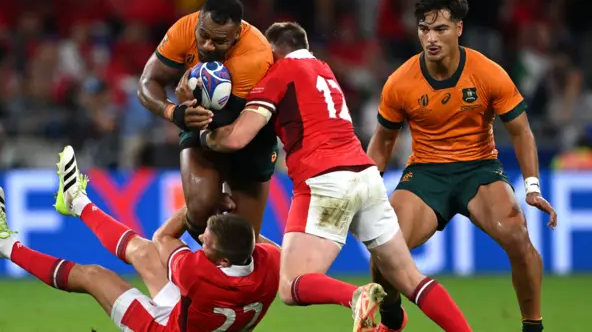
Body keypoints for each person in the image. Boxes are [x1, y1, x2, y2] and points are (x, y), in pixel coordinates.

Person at [200, 22, 472, 332]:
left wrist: (203, 135)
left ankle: (356, 296)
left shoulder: (278, 75)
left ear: (273, 52)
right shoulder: (324, 69)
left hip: (325, 180)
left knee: (290, 286)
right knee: (411, 279)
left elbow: (236, 138)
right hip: (365, 175)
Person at [366, 0, 557, 332]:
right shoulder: (400, 82)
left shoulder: (487, 73)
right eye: (424, 29)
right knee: (384, 244)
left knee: (516, 234)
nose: (431, 38)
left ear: (459, 29)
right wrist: (365, 186)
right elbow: (383, 139)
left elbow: (521, 132)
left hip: (479, 169)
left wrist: (531, 186)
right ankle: (392, 316)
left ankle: (533, 326)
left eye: (440, 29)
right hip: (425, 173)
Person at [0, 145, 280, 332]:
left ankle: (1, 244)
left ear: (223, 260)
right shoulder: (272, 264)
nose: (200, 236)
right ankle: (76, 201)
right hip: (191, 316)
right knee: (145, 253)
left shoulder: (199, 274)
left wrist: (201, 203)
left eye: (206, 241)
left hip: (163, 329)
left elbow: (163, 236)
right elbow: (255, 243)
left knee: (93, 275)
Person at [137, 0, 277, 243]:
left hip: (250, 132)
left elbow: (230, 126)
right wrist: (174, 112)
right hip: (201, 116)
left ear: (236, 35)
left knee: (243, 243)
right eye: (203, 35)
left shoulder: (254, 54)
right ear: (199, 20)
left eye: (219, 41)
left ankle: (280, 262)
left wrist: (189, 107)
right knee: (201, 207)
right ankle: (204, 207)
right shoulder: (184, 28)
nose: (207, 46)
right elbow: (148, 82)